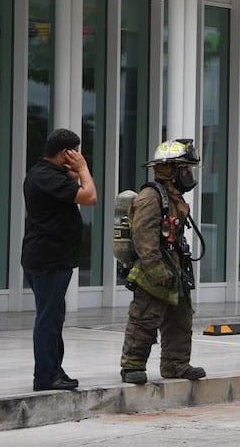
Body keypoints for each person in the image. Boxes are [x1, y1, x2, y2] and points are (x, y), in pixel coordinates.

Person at [119, 139, 207, 385]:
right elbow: (144, 238)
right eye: (185, 169)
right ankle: (132, 365)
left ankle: (175, 364)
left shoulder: (173, 197)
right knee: (144, 318)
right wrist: (157, 271)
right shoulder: (150, 197)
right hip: (153, 271)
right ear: (169, 171)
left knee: (181, 318)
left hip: (174, 268)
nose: (189, 175)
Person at [22, 128, 98, 392]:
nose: (79, 157)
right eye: (76, 152)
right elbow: (90, 197)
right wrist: (84, 169)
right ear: (66, 152)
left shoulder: (47, 174)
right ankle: (45, 376)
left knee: (54, 316)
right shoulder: (44, 176)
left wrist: (75, 171)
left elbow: (73, 182)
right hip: (48, 259)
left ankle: (54, 369)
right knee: (48, 318)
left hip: (50, 258)